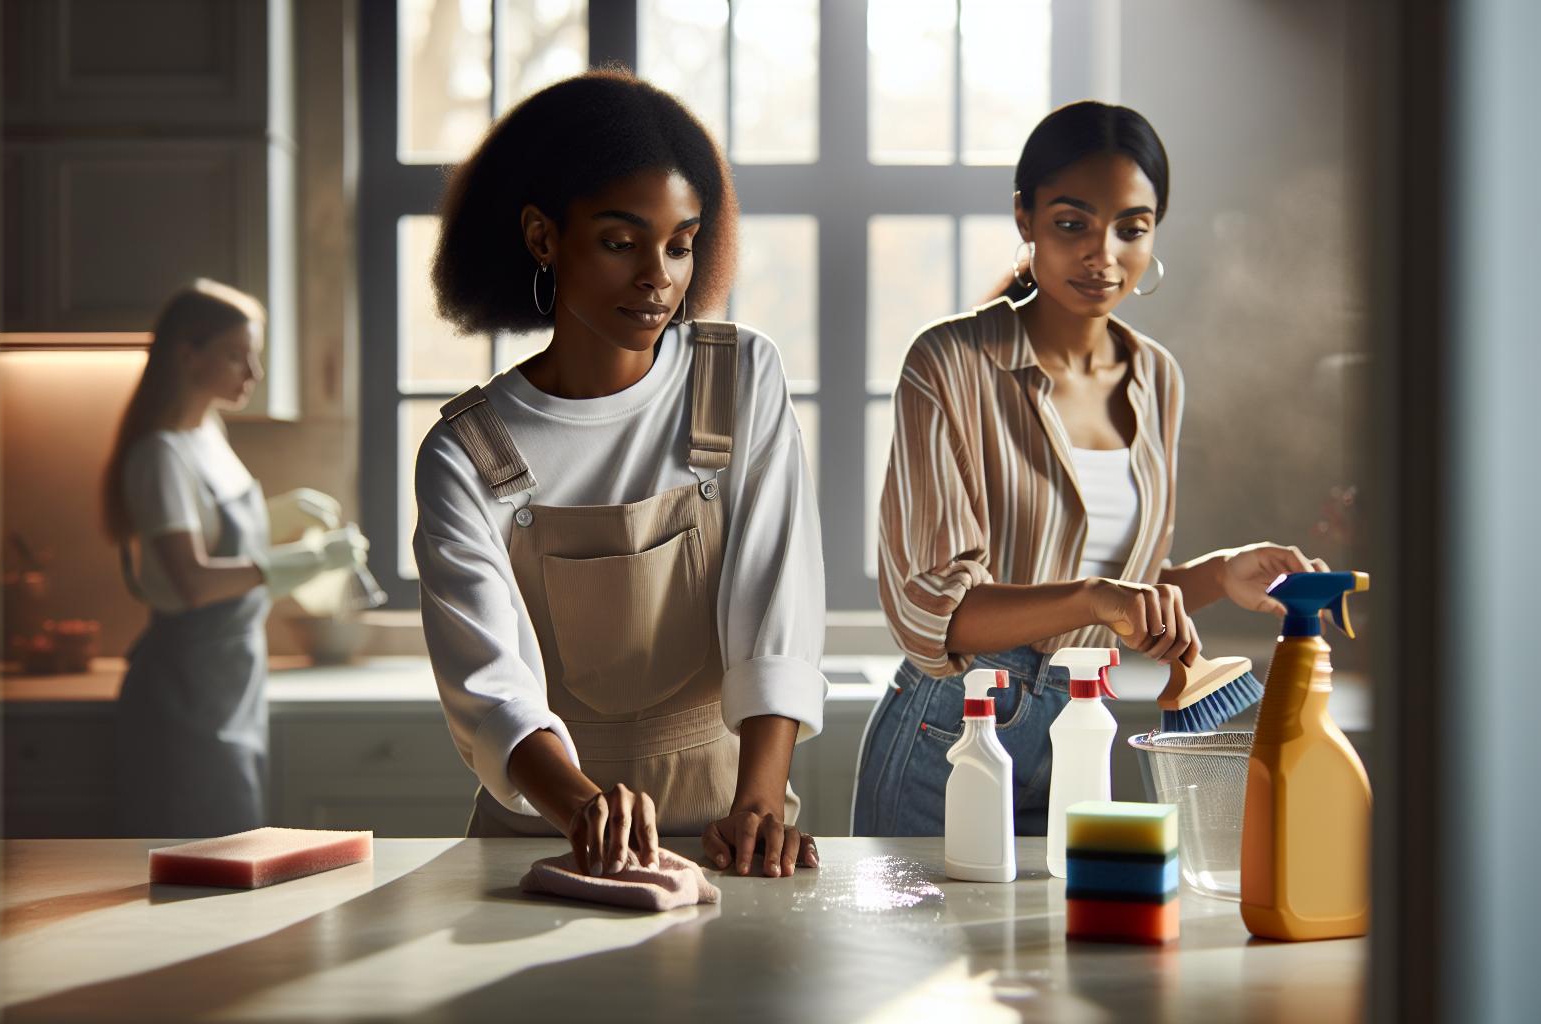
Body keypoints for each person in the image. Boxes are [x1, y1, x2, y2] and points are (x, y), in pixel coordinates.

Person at [854, 102, 1328, 836]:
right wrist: (1097, 598)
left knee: (1066, 950)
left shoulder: (1158, 379)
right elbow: (934, 612)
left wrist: (1220, 576)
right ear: (1026, 217)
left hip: (1080, 729)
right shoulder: (948, 364)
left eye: (1131, 229)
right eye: (1073, 223)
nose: (1103, 255)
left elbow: (1122, 593)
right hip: (949, 735)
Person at [413, 70, 825, 878]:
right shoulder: (467, 450)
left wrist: (761, 803)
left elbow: (778, 607)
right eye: (619, 240)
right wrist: (581, 809)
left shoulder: (738, 378)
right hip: (537, 848)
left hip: (731, 837)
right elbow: (490, 688)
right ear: (542, 237)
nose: (659, 276)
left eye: (680, 243)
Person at [101, 279, 369, 837]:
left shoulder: (207, 434)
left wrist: (281, 515)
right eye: (237, 356)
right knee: (197, 850)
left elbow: (218, 533)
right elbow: (194, 580)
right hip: (185, 688)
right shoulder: (159, 455)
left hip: (231, 675)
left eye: (254, 356)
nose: (254, 374)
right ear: (187, 354)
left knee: (233, 835)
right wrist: (305, 559)